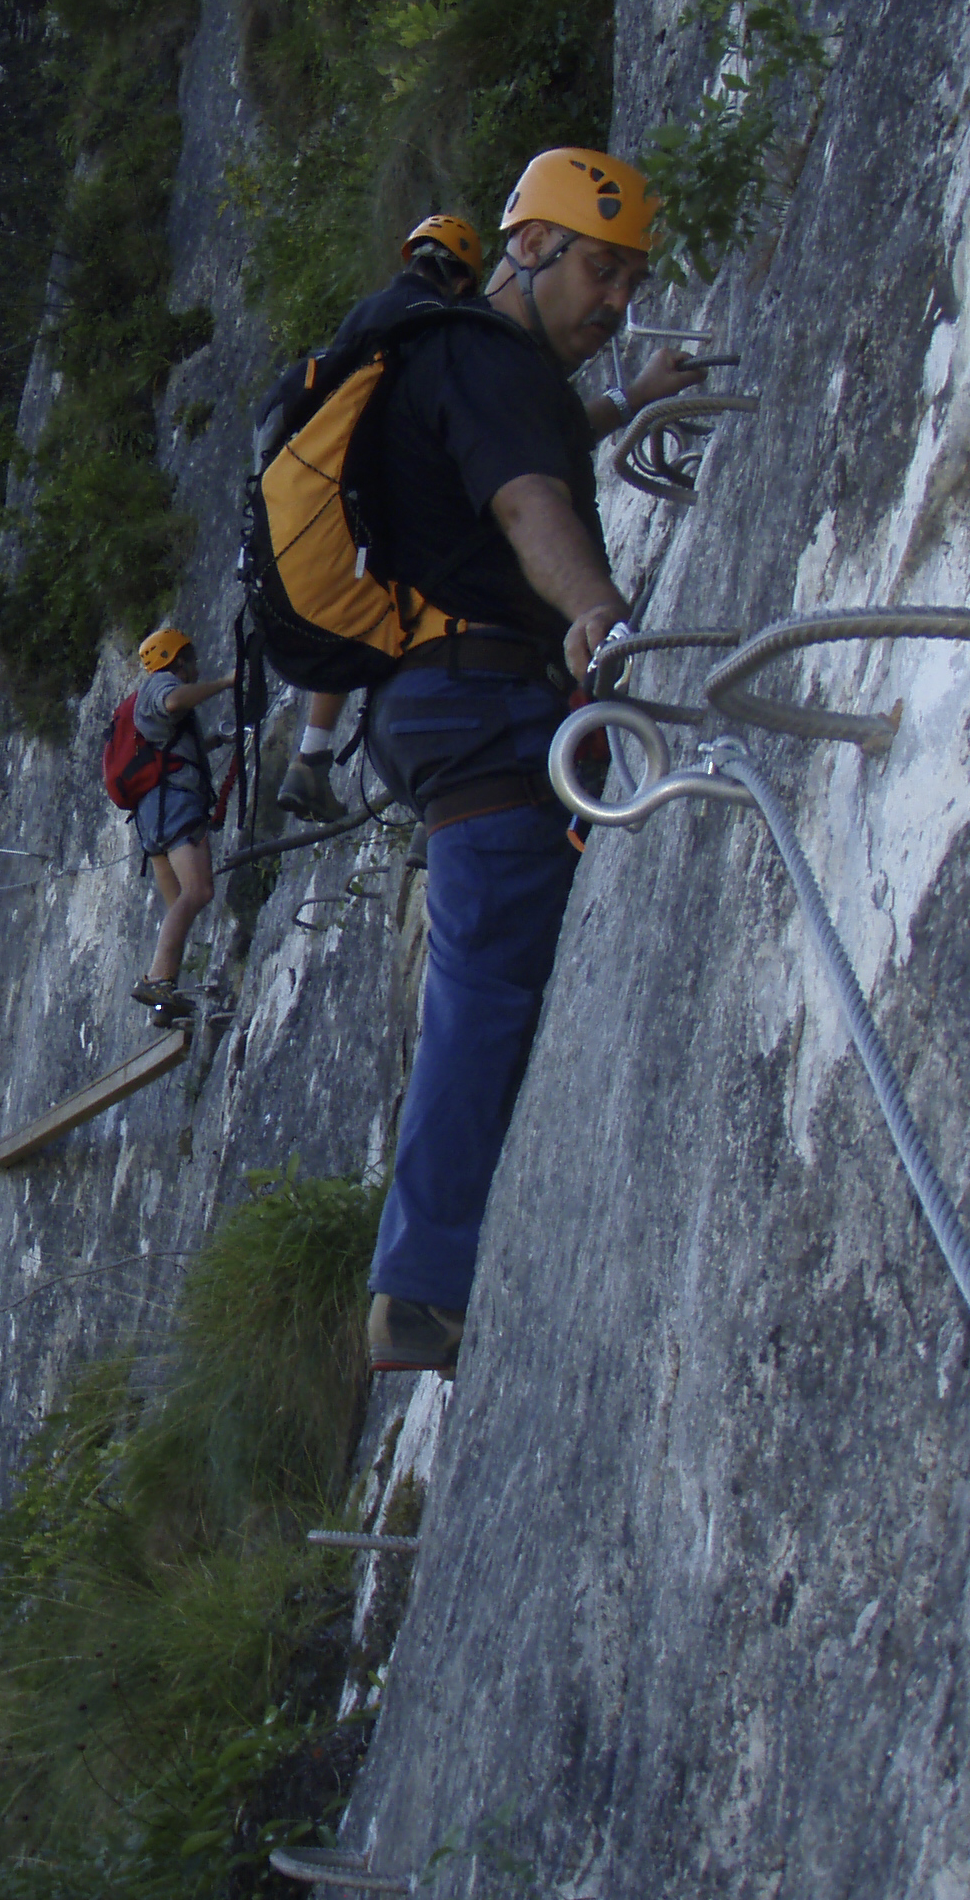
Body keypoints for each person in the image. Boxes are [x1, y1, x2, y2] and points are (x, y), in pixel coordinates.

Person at [359, 148, 707, 1372]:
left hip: (448, 702)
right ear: (529, 250)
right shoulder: (482, 359)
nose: (615, 301)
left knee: (497, 962)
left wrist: (633, 397)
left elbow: (535, 457)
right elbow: (526, 505)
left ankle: (428, 1270)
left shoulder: (470, 366)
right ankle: (425, 1285)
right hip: (483, 705)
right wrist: (601, 615)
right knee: (497, 971)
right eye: (600, 271)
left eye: (630, 280)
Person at [275, 214, 486, 826]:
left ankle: (311, 758)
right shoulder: (437, 320)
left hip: (340, 503)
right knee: (443, 614)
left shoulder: (365, 314)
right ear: (464, 279)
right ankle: (435, 809)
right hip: (403, 494)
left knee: (357, 617)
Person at [124, 626, 235, 1019]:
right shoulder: (162, 684)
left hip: (152, 816)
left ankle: (162, 1004)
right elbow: (172, 702)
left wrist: (216, 743)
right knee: (199, 891)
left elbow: (170, 750)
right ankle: (156, 980)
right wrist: (225, 683)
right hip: (173, 809)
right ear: (178, 659)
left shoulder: (146, 702)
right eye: (191, 659)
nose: (196, 666)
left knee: (179, 905)